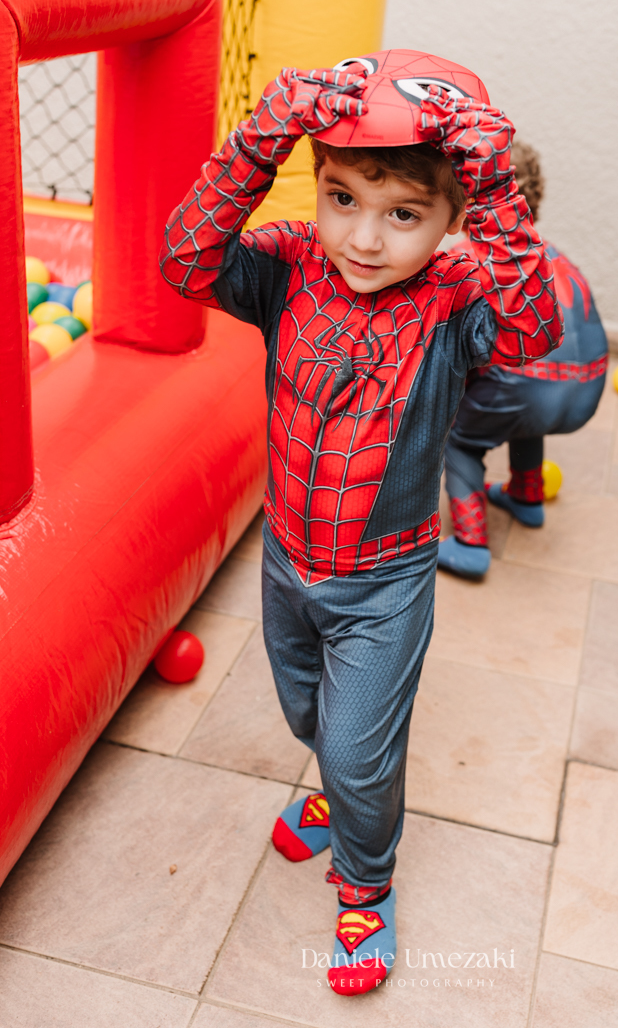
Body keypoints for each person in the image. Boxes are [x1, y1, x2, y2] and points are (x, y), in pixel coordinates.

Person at [160, 51, 562, 996]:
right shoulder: (292, 263)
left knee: (354, 745)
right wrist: (260, 137)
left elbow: (533, 333)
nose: (365, 239)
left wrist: (496, 190)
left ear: (453, 218)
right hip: (288, 561)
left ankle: (365, 883)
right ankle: (345, 796)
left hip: (385, 579)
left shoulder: (459, 298)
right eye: (343, 199)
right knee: (310, 715)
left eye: (404, 215)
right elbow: (184, 260)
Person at [437, 139, 608, 580]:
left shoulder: (469, 259)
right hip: (586, 392)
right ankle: (526, 496)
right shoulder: (553, 255)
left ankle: (471, 544)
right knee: (523, 411)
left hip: (529, 392)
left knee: (459, 437)